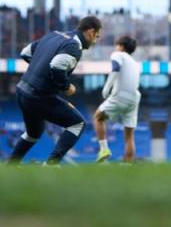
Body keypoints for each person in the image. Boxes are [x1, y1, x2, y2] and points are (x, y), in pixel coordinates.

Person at [8, 16, 102, 164]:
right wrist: (67, 86)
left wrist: (39, 67)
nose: (95, 41)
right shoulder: (74, 46)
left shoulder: (54, 34)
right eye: (96, 36)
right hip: (38, 96)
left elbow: (25, 53)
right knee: (78, 124)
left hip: (22, 90)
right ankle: (51, 164)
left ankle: (10, 165)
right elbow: (56, 67)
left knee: (33, 133)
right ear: (90, 31)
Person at [94, 35, 141, 163]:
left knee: (98, 117)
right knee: (130, 136)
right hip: (134, 98)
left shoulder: (118, 54)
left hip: (120, 95)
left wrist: (106, 88)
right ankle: (128, 166)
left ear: (121, 46)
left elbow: (115, 69)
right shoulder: (136, 63)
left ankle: (104, 149)